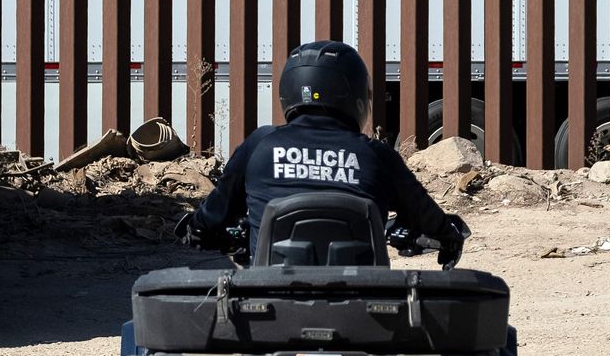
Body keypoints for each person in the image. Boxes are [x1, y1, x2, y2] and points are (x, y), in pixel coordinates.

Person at [183, 40, 468, 263]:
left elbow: (214, 213)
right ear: (355, 95)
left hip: (270, 309)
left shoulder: (260, 144)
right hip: (362, 310)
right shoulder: (377, 156)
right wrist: (449, 234)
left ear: (288, 91)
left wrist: (197, 227)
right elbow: (427, 217)